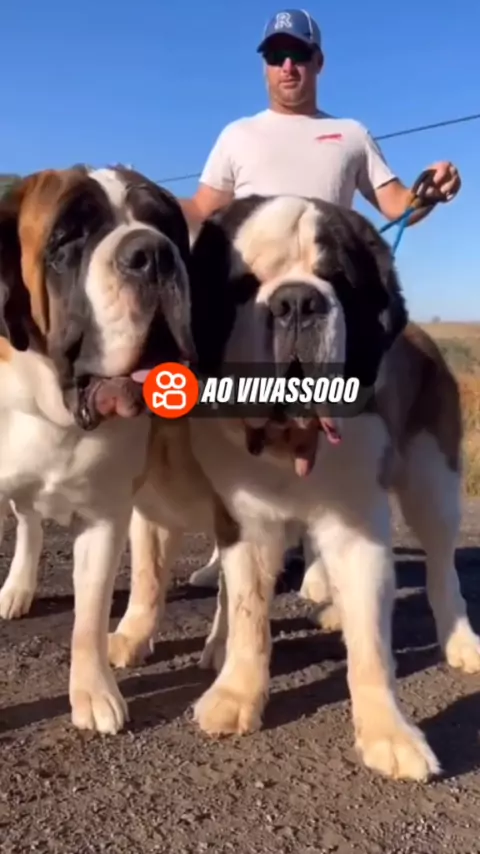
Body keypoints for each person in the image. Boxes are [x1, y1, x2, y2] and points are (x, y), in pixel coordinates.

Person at [180, 8, 462, 589]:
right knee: (246, 423)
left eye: (298, 55)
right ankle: (235, 544)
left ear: (318, 62)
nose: (287, 66)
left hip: (325, 306)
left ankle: (319, 548)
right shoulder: (237, 136)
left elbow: (397, 205)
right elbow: (202, 209)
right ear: (265, 66)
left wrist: (430, 191)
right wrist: (135, 203)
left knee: (326, 419)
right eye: (275, 56)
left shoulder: (351, 134)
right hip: (257, 310)